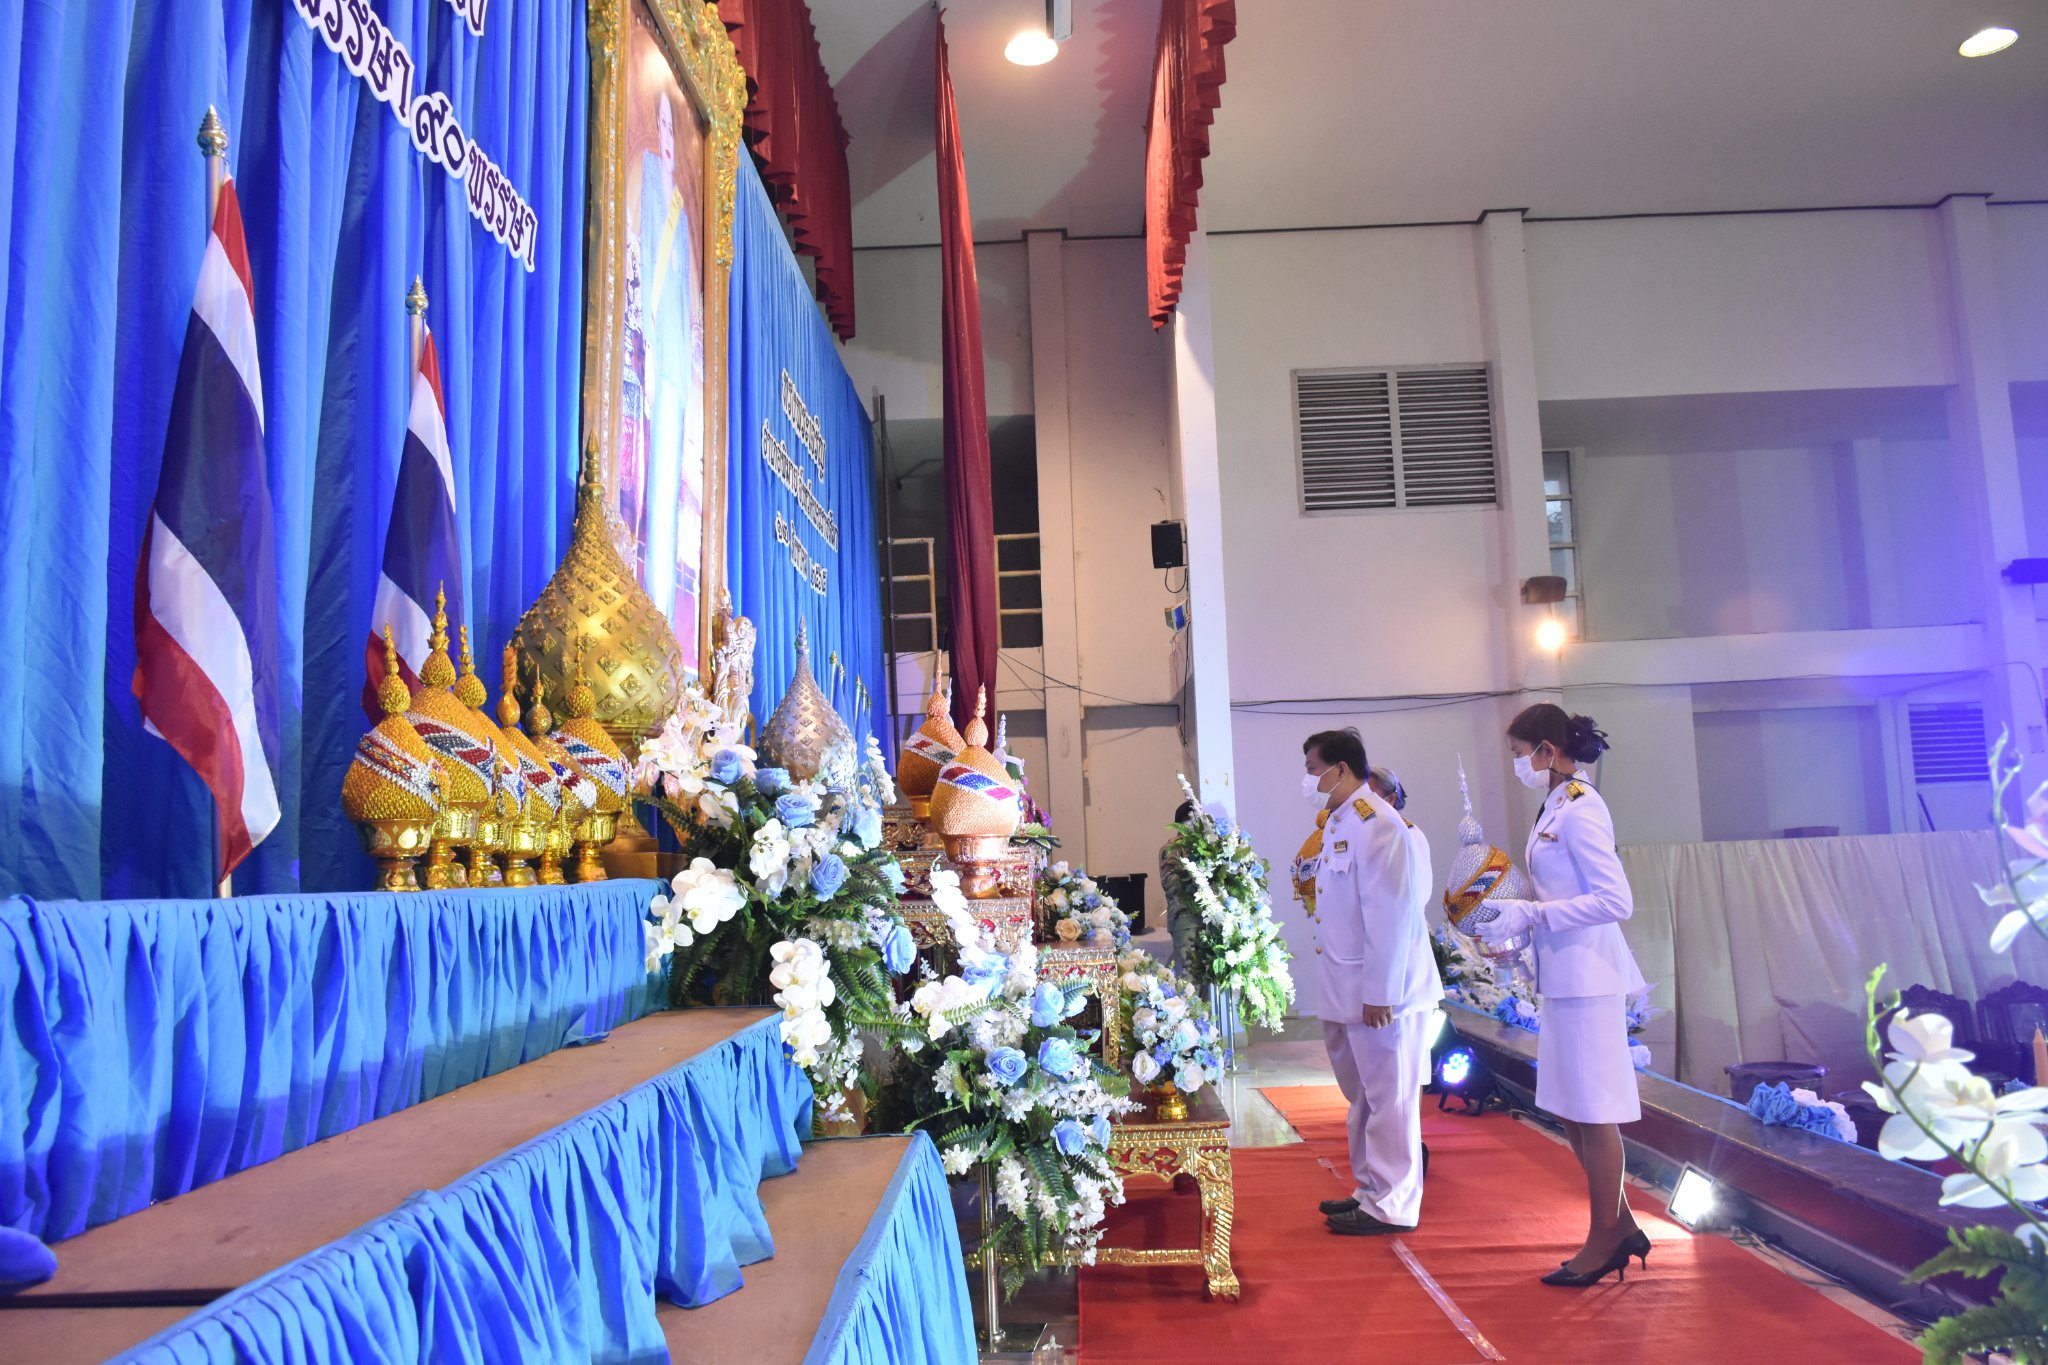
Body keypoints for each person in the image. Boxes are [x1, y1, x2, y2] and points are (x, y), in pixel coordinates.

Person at [1472, 703, 1650, 1286]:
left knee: (1593, 1112)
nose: (1518, 764)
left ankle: (1604, 1237)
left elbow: (1614, 901)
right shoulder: (1554, 804)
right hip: (1563, 977)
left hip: (1591, 980)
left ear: (1548, 750)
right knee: (1571, 1110)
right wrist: (1518, 932)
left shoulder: (1581, 807)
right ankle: (1621, 1224)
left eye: (1521, 754)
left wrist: (1533, 914)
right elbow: (1558, 893)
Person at [1302, 729, 1442, 1236]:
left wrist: (1380, 992)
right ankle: (1370, 1189)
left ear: (1341, 769)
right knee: (1364, 1098)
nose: (1309, 781)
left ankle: (1395, 1203)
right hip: (1348, 989)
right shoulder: (1342, 823)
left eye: (1314, 770)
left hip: (1384, 995)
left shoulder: (1378, 823)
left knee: (1392, 1101)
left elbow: (1392, 915)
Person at [1161, 799, 1202, 974]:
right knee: (1191, 974)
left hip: (1204, 919)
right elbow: (1170, 883)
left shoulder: (1203, 846)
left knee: (1205, 976)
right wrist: (1196, 872)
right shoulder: (1172, 849)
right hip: (1184, 919)